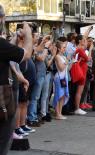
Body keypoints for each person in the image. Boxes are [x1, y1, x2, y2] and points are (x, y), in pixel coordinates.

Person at [0, 4, 33, 155]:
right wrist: (28, 34)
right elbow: (26, 54)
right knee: (3, 138)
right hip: (2, 99)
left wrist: (14, 39)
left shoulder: (2, 45)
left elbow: (6, 51)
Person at [53, 41, 69, 120]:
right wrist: (67, 61)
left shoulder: (64, 57)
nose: (65, 49)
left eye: (65, 47)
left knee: (63, 96)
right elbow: (61, 68)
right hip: (59, 78)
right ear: (59, 49)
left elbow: (66, 68)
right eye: (63, 47)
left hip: (64, 77)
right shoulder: (57, 56)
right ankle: (57, 113)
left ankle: (60, 112)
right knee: (59, 95)